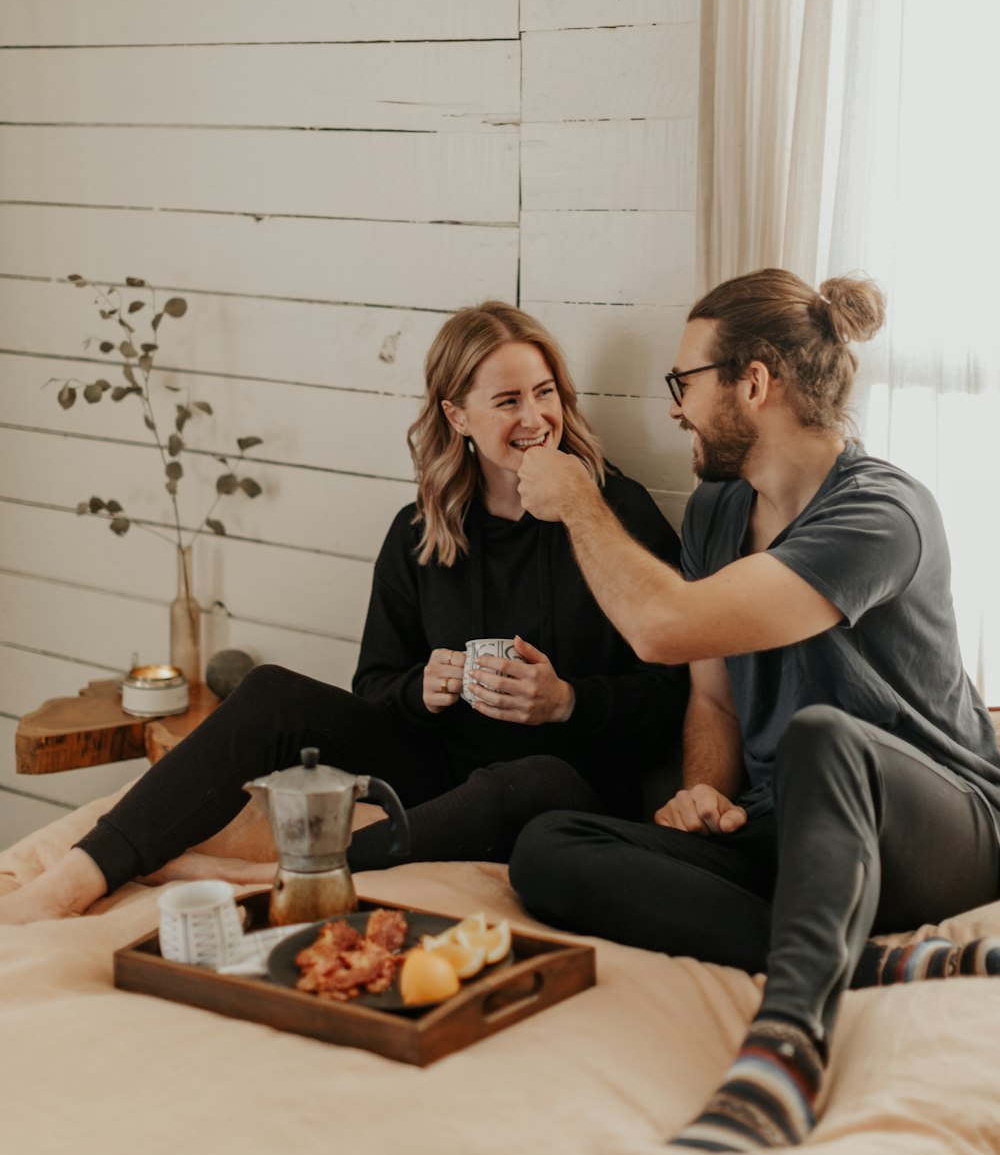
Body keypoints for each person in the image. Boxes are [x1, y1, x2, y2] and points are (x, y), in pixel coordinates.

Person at [504, 268, 1000, 1154]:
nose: (672, 409)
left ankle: (785, 1050)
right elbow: (709, 695)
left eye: (684, 382)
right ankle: (872, 957)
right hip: (795, 833)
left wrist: (580, 502)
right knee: (548, 848)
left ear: (755, 383)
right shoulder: (717, 510)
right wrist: (704, 791)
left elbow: (662, 628)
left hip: (940, 828)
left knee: (822, 737)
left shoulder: (882, 512)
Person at [0, 301, 687, 924]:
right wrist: (422, 688)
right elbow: (375, 688)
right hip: (441, 773)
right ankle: (71, 879)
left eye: (544, 394)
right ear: (456, 416)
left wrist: (566, 702)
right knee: (270, 694)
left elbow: (673, 697)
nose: (535, 418)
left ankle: (272, 873)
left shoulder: (614, 514)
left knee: (529, 779)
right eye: (507, 400)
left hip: (567, 788)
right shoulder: (422, 530)